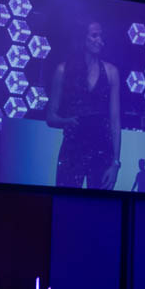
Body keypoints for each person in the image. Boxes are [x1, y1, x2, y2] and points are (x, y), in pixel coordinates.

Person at [46, 20, 121, 189]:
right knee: (67, 203)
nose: (100, 41)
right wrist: (67, 121)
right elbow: (50, 117)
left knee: (98, 204)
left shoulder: (111, 72)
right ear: (82, 37)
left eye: (101, 36)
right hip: (72, 150)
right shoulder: (62, 71)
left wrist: (115, 163)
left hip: (102, 150)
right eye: (94, 35)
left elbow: (115, 121)